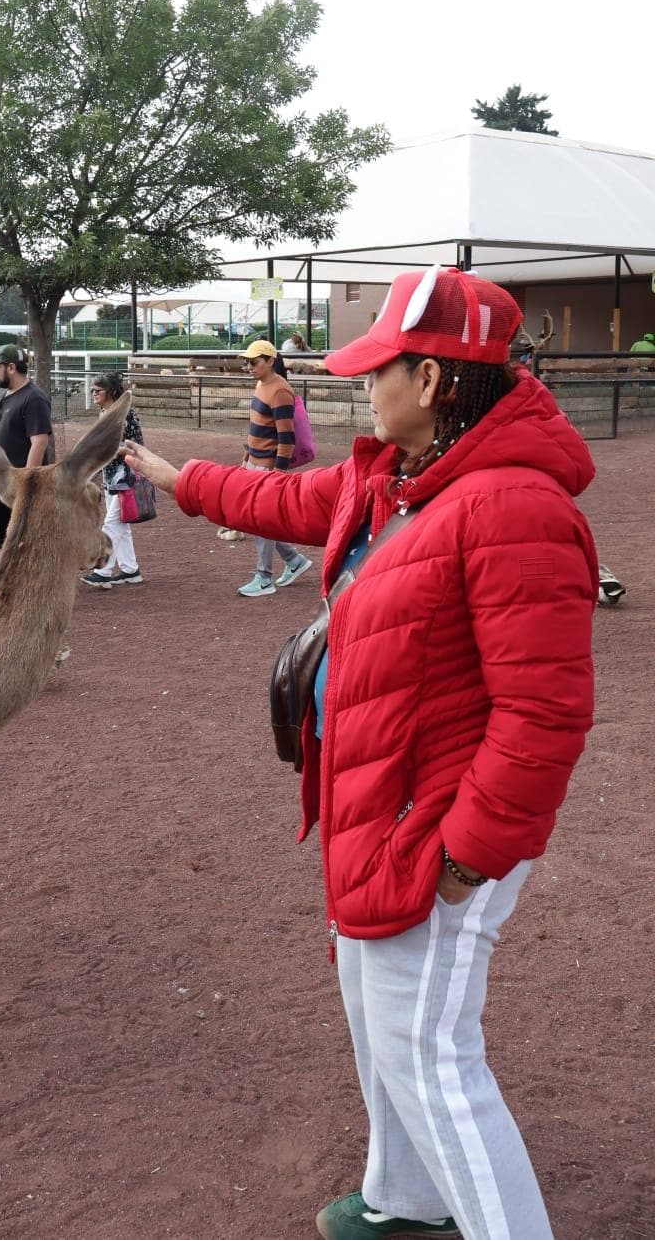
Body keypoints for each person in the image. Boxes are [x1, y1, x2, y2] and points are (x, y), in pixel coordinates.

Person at [123, 267, 597, 1240]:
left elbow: (543, 713)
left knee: (430, 1055)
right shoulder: (396, 477)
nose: (360, 383)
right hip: (379, 805)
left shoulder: (512, 505)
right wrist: (182, 482)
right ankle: (403, 1199)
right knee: (376, 1017)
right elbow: (292, 501)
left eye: (377, 365)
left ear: (428, 380)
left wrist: (467, 855)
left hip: (436, 825)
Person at [234, 338, 312, 597]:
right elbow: (256, 426)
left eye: (254, 362)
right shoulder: (263, 385)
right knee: (261, 520)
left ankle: (264, 577)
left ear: (270, 361)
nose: (249, 367)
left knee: (261, 522)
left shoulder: (280, 391)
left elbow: (286, 436)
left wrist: (278, 473)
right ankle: (294, 561)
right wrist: (247, 456)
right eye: (247, 363)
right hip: (257, 462)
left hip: (268, 467)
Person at [0, 344, 52, 554]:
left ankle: (31, 561)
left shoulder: (34, 398)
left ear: (11, 367)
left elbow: (39, 442)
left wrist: (26, 482)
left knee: (11, 526)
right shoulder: (2, 394)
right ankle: (26, 560)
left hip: (18, 482)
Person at [80, 372, 145, 589]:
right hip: (110, 477)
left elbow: (136, 447)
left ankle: (103, 570)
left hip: (126, 477)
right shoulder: (104, 413)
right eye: (92, 390)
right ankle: (130, 569)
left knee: (112, 524)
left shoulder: (125, 414)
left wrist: (110, 450)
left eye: (98, 390)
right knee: (121, 525)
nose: (94, 394)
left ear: (111, 392)